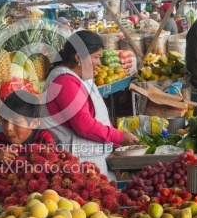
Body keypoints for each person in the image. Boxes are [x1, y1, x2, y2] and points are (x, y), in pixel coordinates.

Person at [43, 30, 139, 180]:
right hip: (77, 164)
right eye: (96, 57)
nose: (99, 63)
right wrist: (119, 136)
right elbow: (84, 125)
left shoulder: (79, 77)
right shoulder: (65, 82)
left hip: (89, 158)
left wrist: (114, 141)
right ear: (78, 58)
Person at [0, 90, 58, 183]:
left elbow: (58, 174)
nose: (8, 128)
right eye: (4, 120)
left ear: (34, 123)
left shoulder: (45, 139)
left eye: (16, 122)